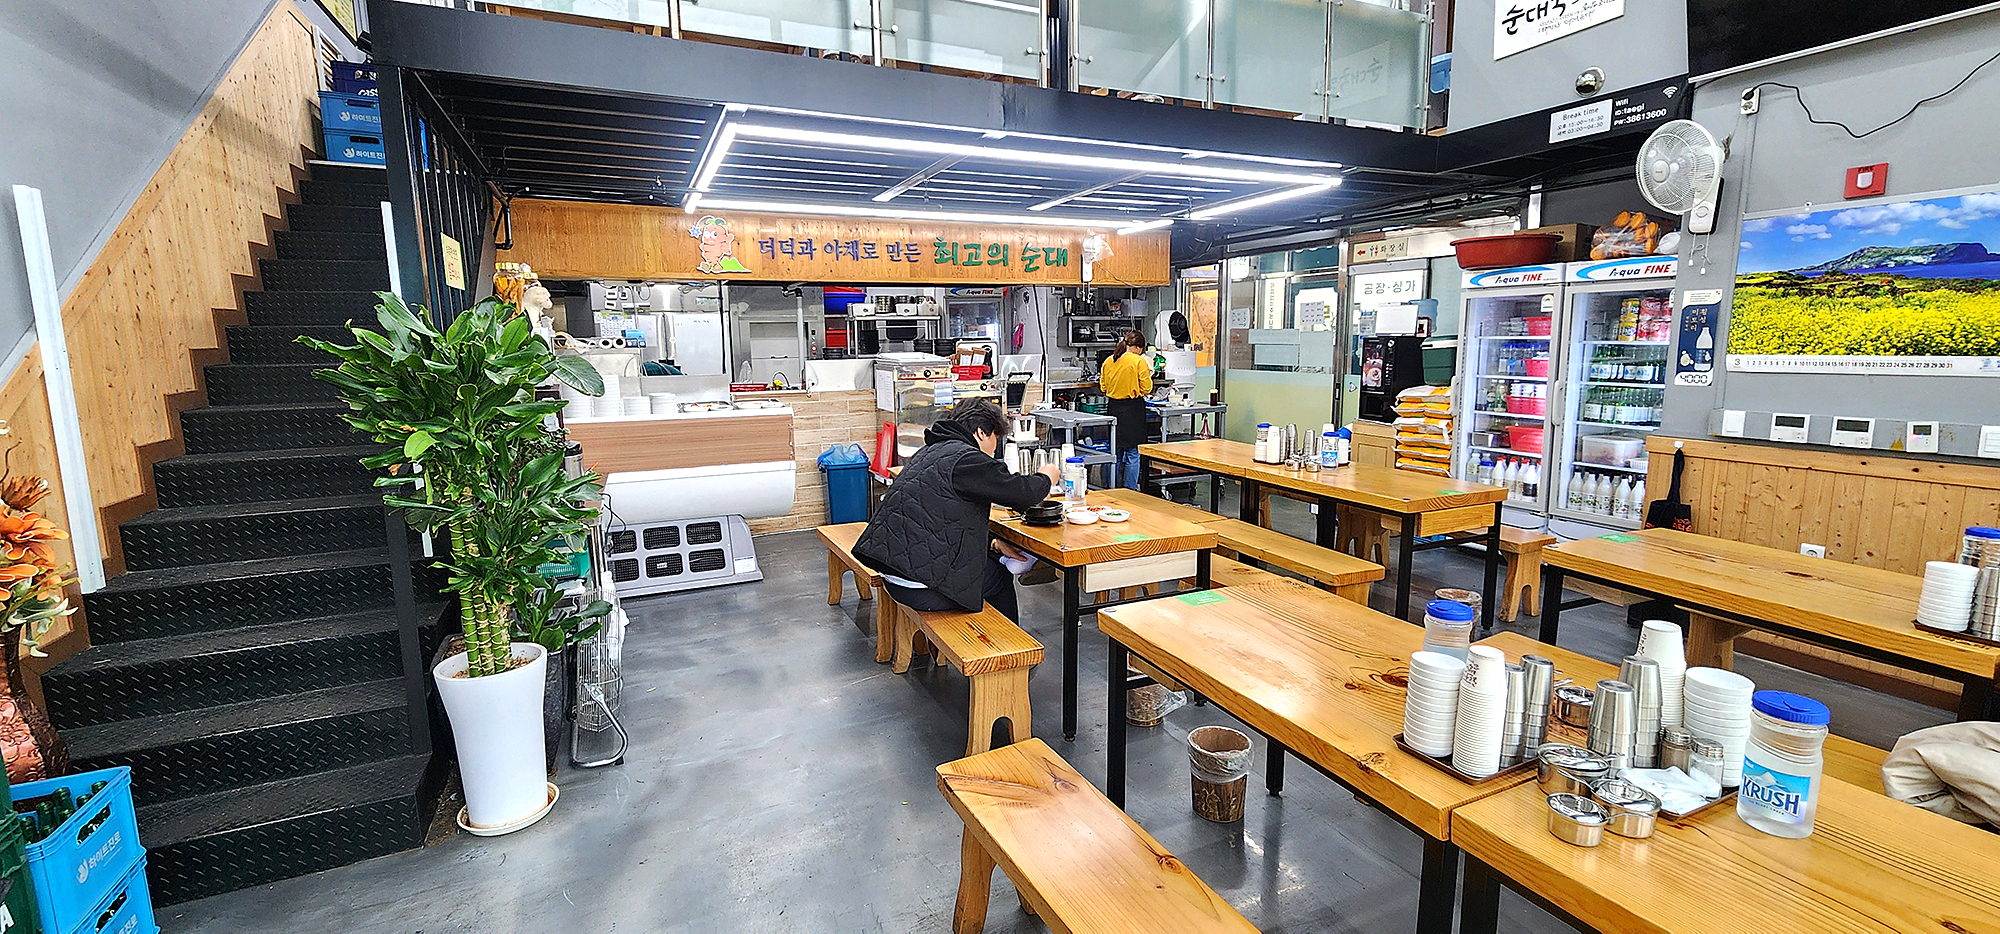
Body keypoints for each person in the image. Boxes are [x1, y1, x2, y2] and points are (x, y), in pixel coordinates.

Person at [853, 399, 1058, 623]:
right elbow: (1023, 494)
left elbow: (942, 519)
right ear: (982, 432)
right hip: (920, 585)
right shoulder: (968, 459)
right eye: (995, 438)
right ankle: (1005, 644)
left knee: (988, 563)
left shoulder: (930, 450)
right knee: (999, 577)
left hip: (894, 570)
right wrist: (1046, 477)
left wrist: (993, 543)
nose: (994, 448)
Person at [1098, 328, 1154, 490]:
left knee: (1115, 452)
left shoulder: (1109, 360)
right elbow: (1147, 388)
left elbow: (1103, 387)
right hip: (1133, 409)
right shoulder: (1138, 361)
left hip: (1114, 408)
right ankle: (1130, 491)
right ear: (1137, 347)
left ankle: (1111, 488)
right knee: (1133, 454)